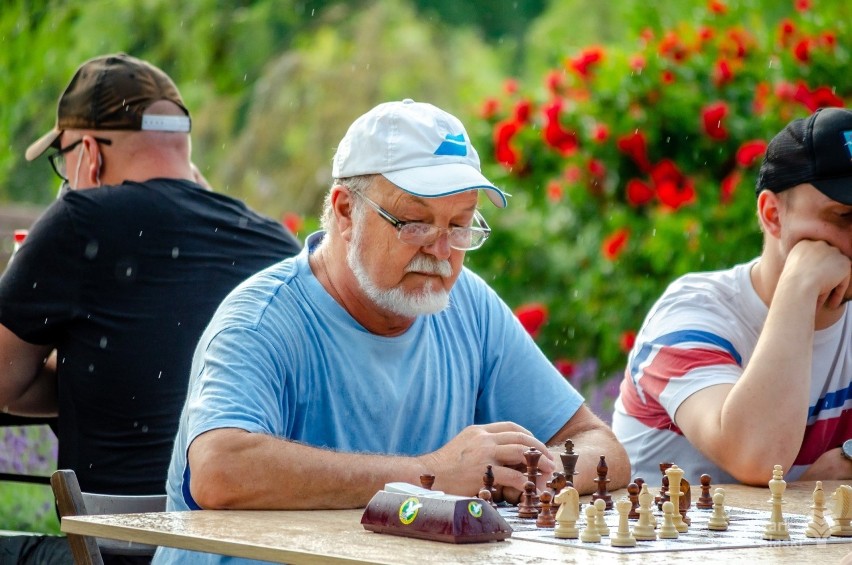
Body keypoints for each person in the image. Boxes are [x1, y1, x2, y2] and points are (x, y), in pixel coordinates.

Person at [154, 99, 629, 564]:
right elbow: (220, 469)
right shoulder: (261, 320)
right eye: (416, 223)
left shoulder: (470, 305)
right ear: (344, 212)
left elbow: (598, 444)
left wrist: (529, 475)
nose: (442, 250)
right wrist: (434, 477)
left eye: (460, 225)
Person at [0, 53, 301, 564]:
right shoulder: (275, 245)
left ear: (88, 153)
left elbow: (4, 381)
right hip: (242, 552)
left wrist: (83, 371)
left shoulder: (81, 221)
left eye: (63, 159)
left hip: (118, 551)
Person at [612, 107, 852, 486]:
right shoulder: (690, 314)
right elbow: (758, 457)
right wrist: (798, 287)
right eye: (843, 216)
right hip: (662, 542)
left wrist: (846, 458)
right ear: (773, 216)